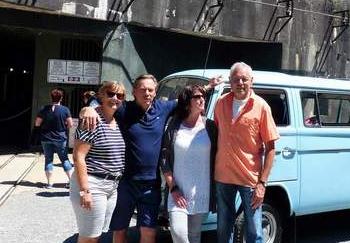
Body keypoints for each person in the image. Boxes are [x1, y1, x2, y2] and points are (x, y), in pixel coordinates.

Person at [80, 74, 222, 243]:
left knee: (149, 233)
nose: (147, 93)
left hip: (151, 184)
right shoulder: (124, 108)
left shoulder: (163, 107)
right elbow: (104, 102)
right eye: (143, 89)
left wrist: (208, 86)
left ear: (155, 92)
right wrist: (88, 108)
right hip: (126, 183)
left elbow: (186, 99)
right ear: (134, 91)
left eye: (150, 90)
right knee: (119, 231)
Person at [213, 62, 280, 243]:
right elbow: (215, 136)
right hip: (223, 176)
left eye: (244, 79)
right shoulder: (220, 103)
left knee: (254, 230)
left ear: (252, 81)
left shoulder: (261, 106)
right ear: (230, 81)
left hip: (249, 179)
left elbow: (271, 148)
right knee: (223, 228)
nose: (240, 83)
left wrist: (262, 184)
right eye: (236, 79)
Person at [70, 81, 126, 243]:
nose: (115, 98)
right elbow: (78, 157)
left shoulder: (118, 121)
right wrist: (85, 191)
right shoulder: (91, 120)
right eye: (110, 94)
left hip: (112, 186)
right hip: (93, 185)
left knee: (98, 233)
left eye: (120, 95)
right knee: (90, 237)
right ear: (101, 95)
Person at [160, 85, 218, 243]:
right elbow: (164, 159)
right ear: (187, 101)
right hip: (177, 191)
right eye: (197, 97)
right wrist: (174, 187)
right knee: (179, 234)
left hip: (202, 191)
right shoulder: (174, 124)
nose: (202, 99)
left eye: (203, 96)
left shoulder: (210, 126)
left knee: (194, 236)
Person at [35, 89, 74, 189]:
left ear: (51, 97)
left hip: (46, 138)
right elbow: (70, 125)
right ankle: (72, 183)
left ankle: (49, 184)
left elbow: (37, 123)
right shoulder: (65, 109)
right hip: (60, 138)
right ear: (61, 98)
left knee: (48, 160)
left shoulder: (44, 108)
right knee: (64, 159)